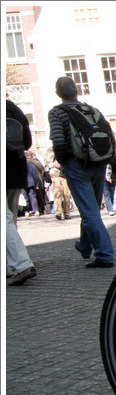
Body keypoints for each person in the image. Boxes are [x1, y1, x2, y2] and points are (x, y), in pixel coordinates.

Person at [48, 76, 116, 268]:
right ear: (76, 91)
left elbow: (59, 142)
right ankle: (85, 245)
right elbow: (110, 137)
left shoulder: (57, 113)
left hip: (76, 164)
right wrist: (115, 167)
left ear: (58, 94)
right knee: (92, 209)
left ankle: (105, 254)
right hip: (99, 161)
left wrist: (65, 163)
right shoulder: (92, 110)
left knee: (89, 212)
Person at [5, 99, 37, 285]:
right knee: (10, 217)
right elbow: (27, 143)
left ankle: (20, 263)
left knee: (5, 218)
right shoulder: (14, 109)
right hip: (17, 168)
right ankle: (10, 264)